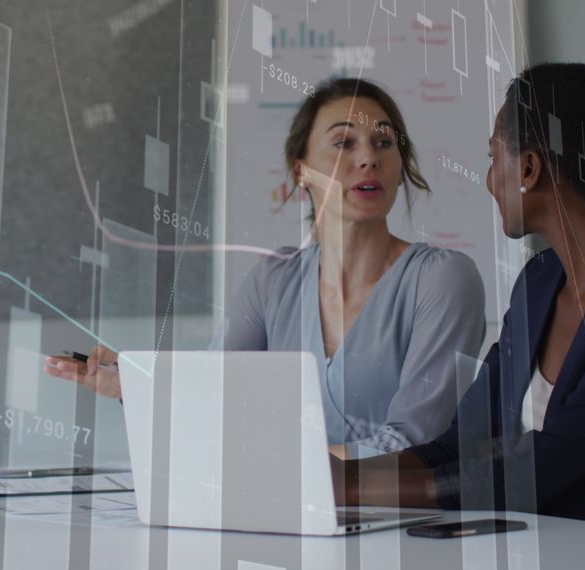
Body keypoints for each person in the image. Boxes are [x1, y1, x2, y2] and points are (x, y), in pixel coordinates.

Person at [333, 63, 585, 536]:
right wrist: (340, 477)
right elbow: (460, 445)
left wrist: (352, 485)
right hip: (565, 548)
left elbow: (533, 473)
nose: (489, 179)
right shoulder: (540, 282)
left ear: (528, 168)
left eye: (493, 157)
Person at [46, 78, 487, 459]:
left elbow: (417, 442)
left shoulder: (443, 279)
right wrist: (134, 386)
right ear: (302, 171)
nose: (368, 157)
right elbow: (217, 402)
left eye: (384, 142)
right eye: (343, 143)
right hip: (293, 522)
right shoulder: (273, 279)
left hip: (409, 533)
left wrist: (278, 461)